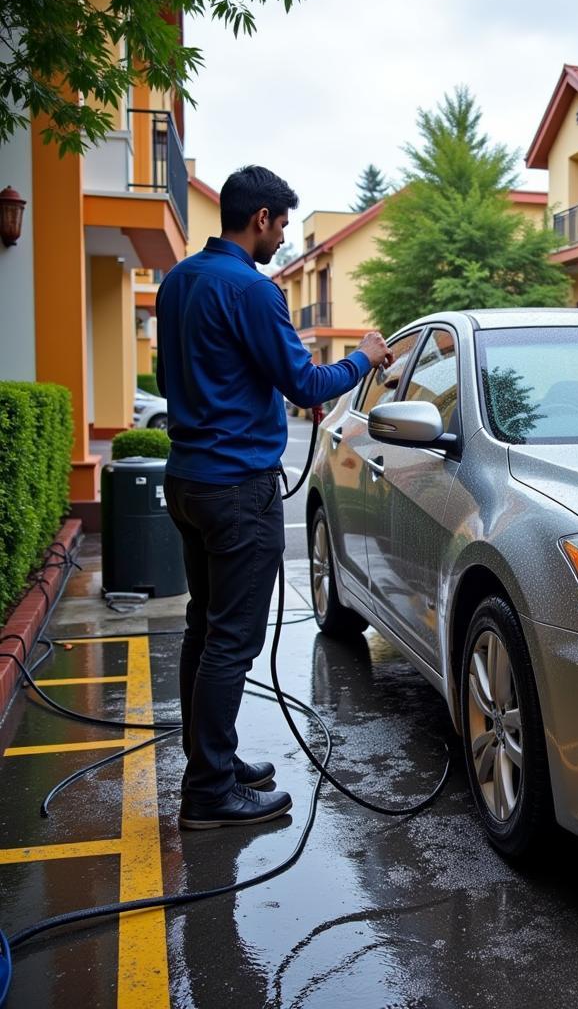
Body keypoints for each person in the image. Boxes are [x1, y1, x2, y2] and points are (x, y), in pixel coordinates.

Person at [156, 165, 392, 830]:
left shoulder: (177, 282)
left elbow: (164, 374)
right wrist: (364, 358)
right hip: (236, 489)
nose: (282, 239)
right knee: (231, 639)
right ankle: (209, 794)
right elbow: (306, 384)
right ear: (260, 218)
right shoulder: (254, 292)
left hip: (188, 480)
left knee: (204, 628)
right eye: (282, 226)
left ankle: (212, 762)